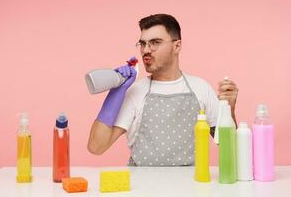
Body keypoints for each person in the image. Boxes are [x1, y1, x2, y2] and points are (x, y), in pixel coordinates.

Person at [87, 14, 238, 166]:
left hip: (190, 187)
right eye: (142, 43)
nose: (146, 50)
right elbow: (96, 147)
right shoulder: (135, 92)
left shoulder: (201, 88)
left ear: (177, 46)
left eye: (155, 43)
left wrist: (229, 110)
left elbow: (228, 148)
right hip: (142, 186)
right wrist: (116, 92)